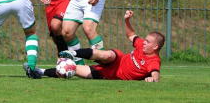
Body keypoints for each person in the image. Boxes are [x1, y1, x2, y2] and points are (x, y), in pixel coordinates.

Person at [24, 10, 165, 82]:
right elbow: (131, 35)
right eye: (145, 40)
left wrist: (153, 79)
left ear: (155, 47)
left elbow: (155, 74)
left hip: (111, 74)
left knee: (71, 69)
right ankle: (72, 53)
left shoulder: (153, 61)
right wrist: (126, 20)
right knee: (107, 54)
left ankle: (39, 71)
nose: (144, 42)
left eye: (148, 41)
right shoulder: (141, 45)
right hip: (117, 59)